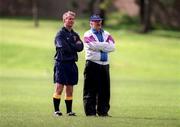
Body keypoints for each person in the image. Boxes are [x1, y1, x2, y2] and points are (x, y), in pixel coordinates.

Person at [52, 11, 83, 116]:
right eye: (69, 18)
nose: (71, 20)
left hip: (72, 64)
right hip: (61, 63)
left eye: (72, 19)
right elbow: (64, 48)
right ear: (64, 20)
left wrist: (71, 45)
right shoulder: (60, 34)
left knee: (70, 88)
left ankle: (69, 111)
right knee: (59, 87)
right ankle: (56, 110)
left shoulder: (75, 34)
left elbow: (81, 47)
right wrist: (74, 45)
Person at [83, 14, 115, 116]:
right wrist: (105, 45)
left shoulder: (106, 33)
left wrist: (100, 46)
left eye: (99, 21)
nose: (99, 23)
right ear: (91, 23)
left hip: (105, 65)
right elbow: (92, 45)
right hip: (92, 64)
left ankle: (103, 111)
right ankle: (90, 112)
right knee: (90, 89)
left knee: (105, 90)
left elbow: (112, 47)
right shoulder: (87, 34)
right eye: (96, 21)